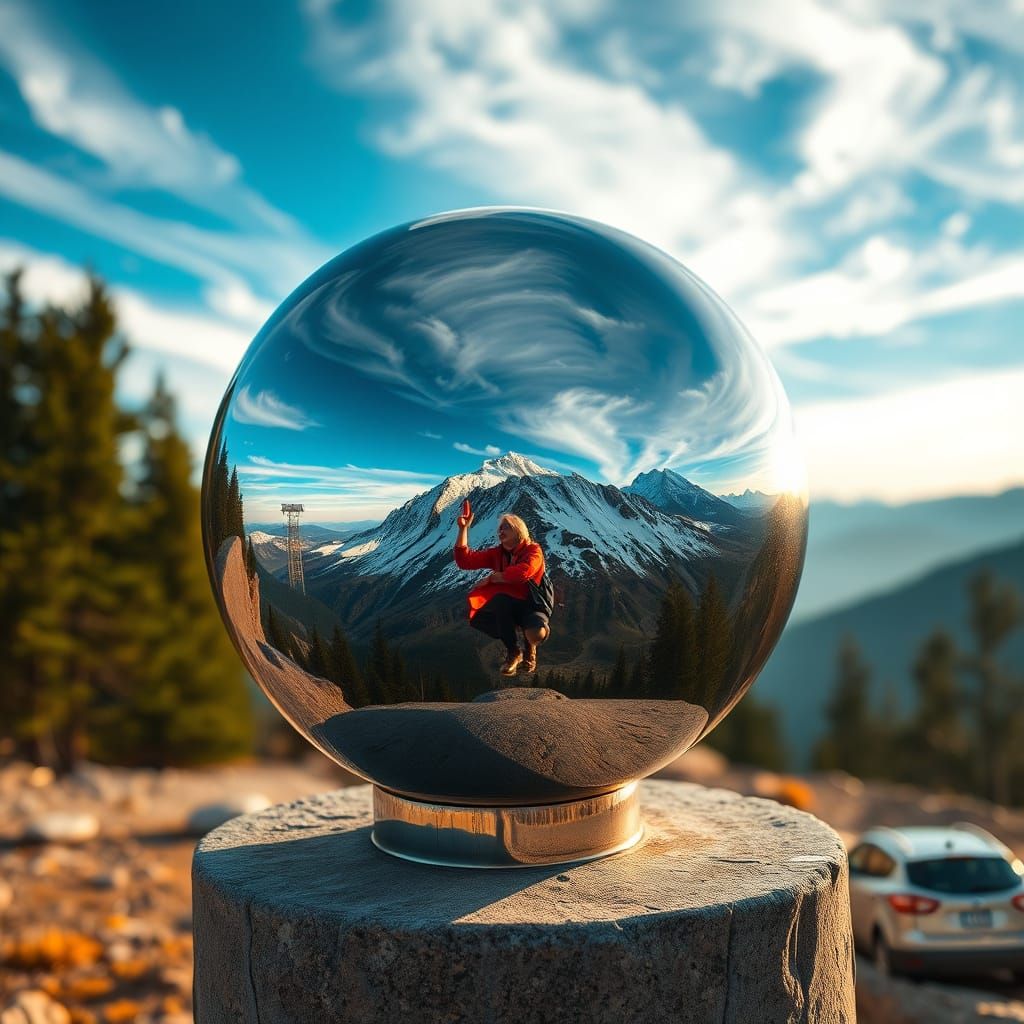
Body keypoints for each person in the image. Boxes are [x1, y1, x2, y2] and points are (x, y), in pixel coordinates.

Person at [453, 510, 550, 676]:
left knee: (536, 634)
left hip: (531, 605)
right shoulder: (497, 553)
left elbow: (523, 573)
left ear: (518, 531)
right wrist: (463, 529)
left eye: (506, 527)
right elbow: (465, 561)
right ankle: (514, 652)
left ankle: (530, 646)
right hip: (508, 606)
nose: (501, 531)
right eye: (500, 529)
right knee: (484, 614)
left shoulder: (533, 550)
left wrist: (494, 578)